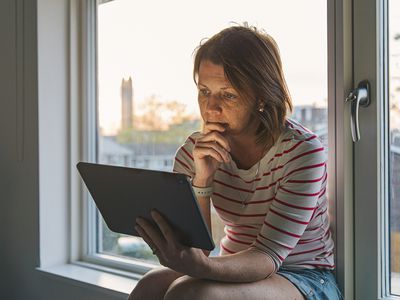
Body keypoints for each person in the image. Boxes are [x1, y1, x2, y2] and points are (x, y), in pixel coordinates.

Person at [129, 24, 342, 300]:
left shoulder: (303, 153)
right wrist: (202, 180)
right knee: (150, 285)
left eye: (228, 95)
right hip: (233, 263)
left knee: (190, 292)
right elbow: (199, 250)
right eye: (205, 91)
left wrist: (203, 266)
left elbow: (267, 257)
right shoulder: (194, 151)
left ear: (262, 98)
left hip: (302, 276)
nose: (211, 107)